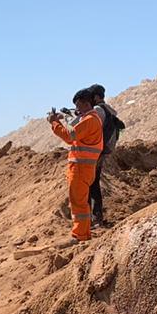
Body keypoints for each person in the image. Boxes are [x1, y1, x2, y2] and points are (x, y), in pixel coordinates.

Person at [48, 89, 104, 243]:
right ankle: (83, 233)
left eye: (78, 105)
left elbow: (69, 136)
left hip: (80, 167)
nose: (77, 109)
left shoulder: (90, 120)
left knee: (78, 203)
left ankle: (79, 235)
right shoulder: (92, 119)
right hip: (85, 167)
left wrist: (54, 122)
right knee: (81, 202)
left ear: (86, 103)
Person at [87, 84, 125, 227]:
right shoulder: (108, 110)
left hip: (95, 152)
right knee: (94, 184)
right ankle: (97, 217)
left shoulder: (97, 110)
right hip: (103, 151)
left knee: (89, 185)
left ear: (96, 97)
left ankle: (91, 219)